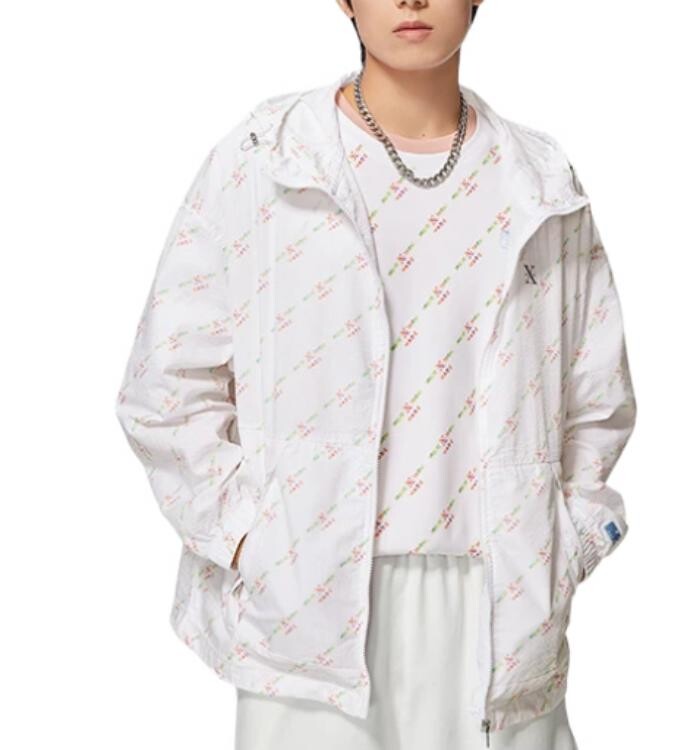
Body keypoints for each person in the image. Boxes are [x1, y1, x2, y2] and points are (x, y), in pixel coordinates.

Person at [114, 1, 637, 748]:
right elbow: (166, 385)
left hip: (502, 605)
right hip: (313, 615)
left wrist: (567, 542)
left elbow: (597, 393)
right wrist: (254, 541)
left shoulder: (539, 180)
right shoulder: (267, 160)